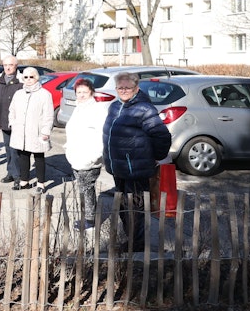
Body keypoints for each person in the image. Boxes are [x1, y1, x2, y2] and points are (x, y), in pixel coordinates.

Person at [102, 72, 172, 250]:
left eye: (127, 87)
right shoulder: (114, 106)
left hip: (136, 169)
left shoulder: (144, 109)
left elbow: (162, 136)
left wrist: (157, 157)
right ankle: (131, 239)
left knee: (135, 209)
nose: (123, 90)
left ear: (136, 89)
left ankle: (137, 244)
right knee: (124, 209)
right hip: (119, 168)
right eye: (120, 87)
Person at [65, 78, 108, 229]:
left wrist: (95, 156)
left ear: (92, 92)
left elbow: (102, 134)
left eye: (85, 92)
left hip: (89, 156)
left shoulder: (97, 109)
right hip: (77, 155)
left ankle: (90, 220)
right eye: (79, 92)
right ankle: (87, 216)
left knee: (86, 188)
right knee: (83, 188)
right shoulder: (79, 107)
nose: (81, 95)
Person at [7, 67, 55, 191]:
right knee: (23, 157)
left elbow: (49, 115)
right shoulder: (19, 93)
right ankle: (24, 181)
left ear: (36, 78)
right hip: (21, 132)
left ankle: (41, 183)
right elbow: (12, 110)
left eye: (31, 77)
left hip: (37, 132)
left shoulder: (44, 94)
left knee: (39, 158)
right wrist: (13, 123)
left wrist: (46, 131)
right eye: (26, 77)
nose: (28, 79)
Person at [0, 56, 25, 182]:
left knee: (17, 150)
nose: (8, 67)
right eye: (5, 65)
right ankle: (10, 173)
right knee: (8, 149)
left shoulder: (22, 80)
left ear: (16, 66)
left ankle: (18, 175)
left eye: (10, 65)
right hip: (3, 120)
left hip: (18, 122)